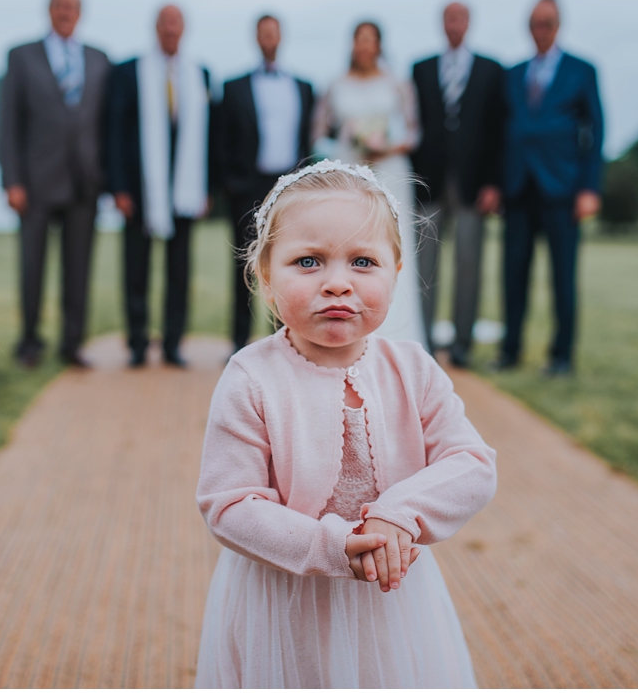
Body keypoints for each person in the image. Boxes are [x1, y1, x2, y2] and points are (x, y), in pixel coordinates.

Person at [194, 161, 497, 687]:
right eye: (308, 261)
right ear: (265, 275)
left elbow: (470, 463)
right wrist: (331, 545)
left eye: (363, 261)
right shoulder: (251, 377)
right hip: (284, 600)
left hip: (390, 596)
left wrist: (397, 516)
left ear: (396, 271)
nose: (337, 283)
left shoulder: (412, 369)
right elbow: (229, 503)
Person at [0, 0, 111, 369]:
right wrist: (12, 180)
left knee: (79, 268)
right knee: (33, 266)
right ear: (49, 10)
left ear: (81, 14)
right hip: (35, 181)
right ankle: (29, 342)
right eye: (60, 6)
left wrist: (108, 179)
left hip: (85, 181)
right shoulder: (21, 56)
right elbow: (8, 123)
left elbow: (106, 124)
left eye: (73, 7)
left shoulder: (98, 59)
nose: (66, 12)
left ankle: (72, 343)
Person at [492, 0, 603, 376]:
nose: (542, 29)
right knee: (513, 276)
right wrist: (496, 183)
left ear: (559, 26)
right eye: (536, 23)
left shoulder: (582, 70)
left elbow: (595, 132)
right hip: (518, 188)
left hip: (563, 190)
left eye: (549, 22)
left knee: (563, 278)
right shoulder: (512, 73)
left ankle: (561, 357)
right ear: (528, 26)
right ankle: (510, 351)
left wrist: (590, 188)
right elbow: (500, 132)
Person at [104, 4, 214, 368]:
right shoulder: (129, 71)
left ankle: (172, 343)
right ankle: (137, 342)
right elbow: (114, 133)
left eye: (177, 23)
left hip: (185, 188)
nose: (171, 29)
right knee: (135, 268)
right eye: (165, 23)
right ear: (156, 28)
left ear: (184, 29)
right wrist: (118, 187)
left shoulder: (199, 74)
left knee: (179, 272)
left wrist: (207, 189)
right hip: (139, 189)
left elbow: (208, 137)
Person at [312, 21, 425, 347]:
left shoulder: (398, 84)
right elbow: (319, 138)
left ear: (379, 45)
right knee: (348, 246)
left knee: (390, 248)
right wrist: (346, 143)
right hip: (351, 172)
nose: (364, 46)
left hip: (390, 173)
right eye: (359, 39)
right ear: (352, 44)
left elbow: (413, 133)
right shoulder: (335, 85)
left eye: (370, 40)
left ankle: (399, 337)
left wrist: (385, 146)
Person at [410, 1, 507, 368]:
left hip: (473, 185)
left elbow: (498, 131)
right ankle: (425, 343)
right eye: (448, 18)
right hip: (429, 183)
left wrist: (494, 183)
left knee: (469, 263)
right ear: (441, 23)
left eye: (460, 18)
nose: (454, 24)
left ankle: (462, 345)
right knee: (426, 266)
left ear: (469, 23)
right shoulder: (420, 69)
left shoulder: (491, 70)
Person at [220, 14, 314, 352]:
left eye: (273, 32)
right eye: (263, 33)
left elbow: (306, 140)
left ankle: (283, 340)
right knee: (243, 265)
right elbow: (223, 138)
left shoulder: (303, 87)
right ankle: (239, 341)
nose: (268, 38)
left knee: (288, 264)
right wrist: (231, 183)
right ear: (256, 38)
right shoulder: (234, 87)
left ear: (281, 37)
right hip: (247, 186)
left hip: (287, 187)